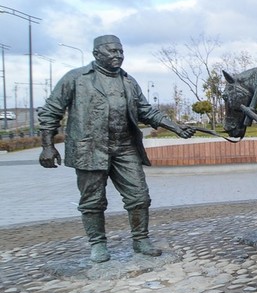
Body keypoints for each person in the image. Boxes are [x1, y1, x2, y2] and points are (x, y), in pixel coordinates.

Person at [38, 35, 195, 263]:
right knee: (93, 201)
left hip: (125, 148)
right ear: (96, 54)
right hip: (90, 149)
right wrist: (47, 146)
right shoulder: (76, 78)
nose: (118, 56)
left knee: (139, 196)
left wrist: (176, 127)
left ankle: (140, 240)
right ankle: (98, 245)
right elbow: (50, 112)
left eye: (120, 51)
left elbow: (146, 111)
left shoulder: (128, 81)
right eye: (112, 51)